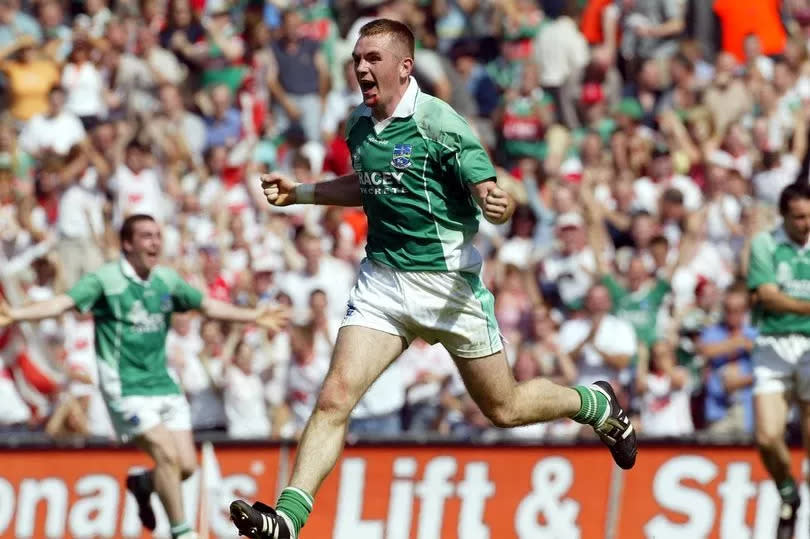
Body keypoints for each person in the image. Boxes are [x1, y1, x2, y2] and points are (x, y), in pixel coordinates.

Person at [228, 19, 637, 539]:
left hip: (449, 289)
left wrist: (495, 201)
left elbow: (487, 187)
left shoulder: (439, 123)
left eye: (373, 58)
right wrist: (303, 193)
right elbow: (371, 184)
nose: (360, 67)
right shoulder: (359, 124)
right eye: (357, 58)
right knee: (334, 396)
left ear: (405, 66)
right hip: (382, 284)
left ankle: (597, 404)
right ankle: (287, 519)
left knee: (504, 408)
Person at [0, 214, 287, 539]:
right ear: (127, 244)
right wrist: (16, 314)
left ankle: (143, 483)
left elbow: (206, 306)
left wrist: (254, 315)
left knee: (187, 467)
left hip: (162, 384)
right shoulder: (106, 280)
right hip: (125, 387)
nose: (155, 242)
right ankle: (183, 532)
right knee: (165, 454)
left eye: (157, 235)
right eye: (146, 236)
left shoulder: (166, 280)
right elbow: (64, 303)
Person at [747, 182, 810, 539]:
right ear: (784, 216)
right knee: (768, 438)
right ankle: (788, 491)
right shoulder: (765, 244)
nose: (806, 224)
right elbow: (768, 296)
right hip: (773, 345)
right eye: (799, 217)